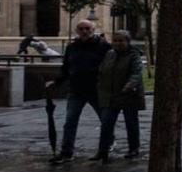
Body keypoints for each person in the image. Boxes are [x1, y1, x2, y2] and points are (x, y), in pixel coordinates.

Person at [46, 19, 110, 164]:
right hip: (76, 90)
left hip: (96, 89)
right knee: (70, 121)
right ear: (77, 31)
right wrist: (56, 82)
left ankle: (106, 146)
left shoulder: (103, 46)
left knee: (105, 120)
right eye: (81, 29)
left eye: (87, 28)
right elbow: (66, 67)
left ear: (93, 30)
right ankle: (66, 152)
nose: (84, 31)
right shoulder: (72, 47)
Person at [97, 30, 145, 161]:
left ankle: (133, 149)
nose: (117, 43)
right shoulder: (110, 54)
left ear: (127, 42)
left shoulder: (134, 55)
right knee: (106, 123)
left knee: (131, 123)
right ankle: (102, 150)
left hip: (128, 95)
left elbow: (136, 74)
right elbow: (102, 71)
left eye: (121, 40)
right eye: (115, 40)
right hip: (111, 95)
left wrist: (128, 87)